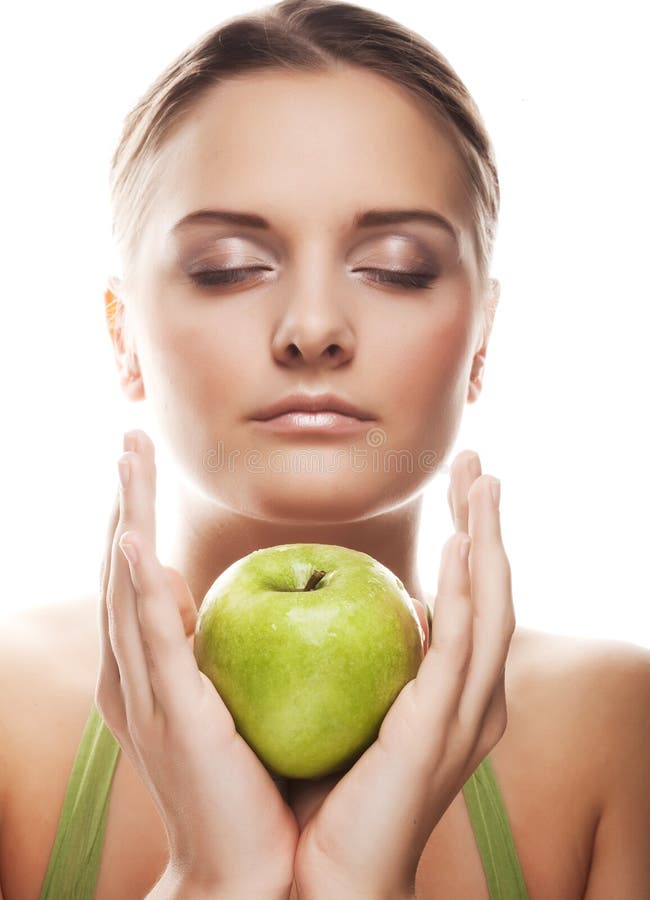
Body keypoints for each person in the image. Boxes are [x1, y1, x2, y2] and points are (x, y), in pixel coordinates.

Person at [1, 1, 648, 898]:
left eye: (394, 266)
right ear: (124, 337)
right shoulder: (6, 716)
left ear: (484, 336)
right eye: (228, 264)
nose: (312, 329)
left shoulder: (615, 730)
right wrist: (214, 879)